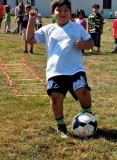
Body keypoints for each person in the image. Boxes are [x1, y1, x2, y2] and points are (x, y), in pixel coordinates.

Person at [26, 0, 94, 138]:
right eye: (59, 10)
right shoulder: (48, 29)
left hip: (75, 69)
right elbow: (30, 39)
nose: (63, 13)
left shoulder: (77, 27)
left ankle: (89, 117)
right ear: (52, 13)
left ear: (70, 13)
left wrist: (84, 45)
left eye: (66, 10)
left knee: (83, 91)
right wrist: (31, 20)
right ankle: (61, 126)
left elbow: (90, 42)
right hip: (55, 71)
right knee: (56, 97)